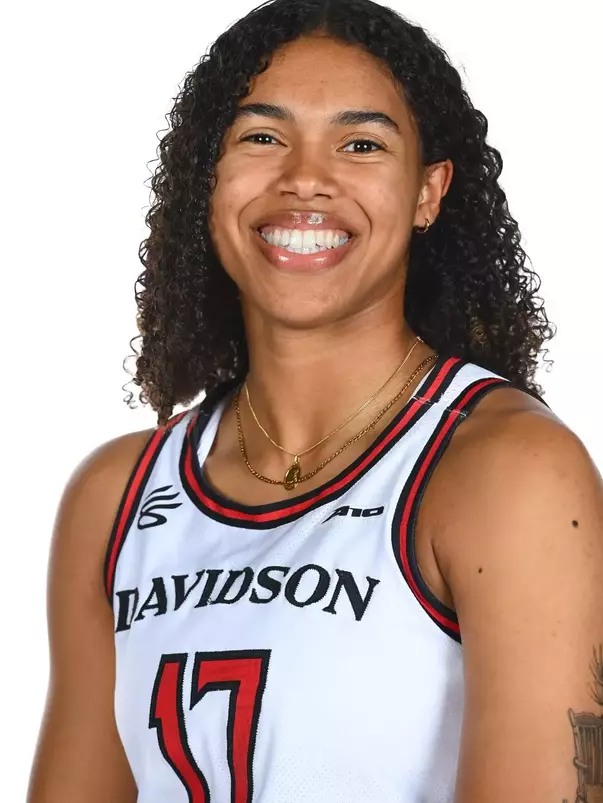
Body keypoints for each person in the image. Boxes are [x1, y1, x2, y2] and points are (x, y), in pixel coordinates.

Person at [27, 1, 603, 801]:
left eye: (360, 144)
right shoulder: (116, 495)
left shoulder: (505, 471)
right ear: (209, 178)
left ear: (427, 192)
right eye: (261, 137)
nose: (304, 178)